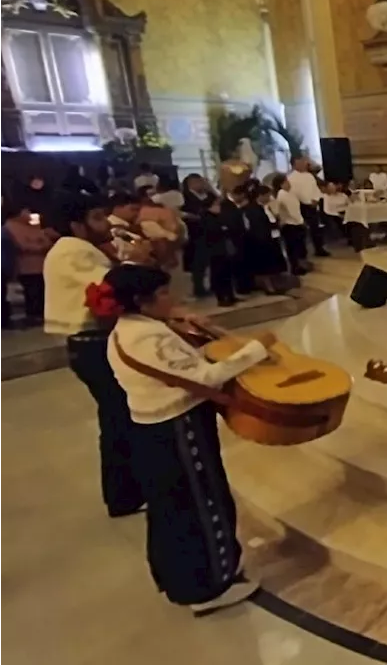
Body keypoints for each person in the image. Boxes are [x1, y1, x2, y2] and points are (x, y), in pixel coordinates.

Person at [101, 263, 273, 614]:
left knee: (176, 506)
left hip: (157, 427)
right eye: (164, 293)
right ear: (141, 301)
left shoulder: (130, 329)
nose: (172, 298)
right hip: (177, 427)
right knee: (200, 502)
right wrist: (256, 349)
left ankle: (191, 576)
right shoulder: (148, 337)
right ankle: (209, 586)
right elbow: (205, 376)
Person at [44, 196, 150, 518]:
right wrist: (135, 261)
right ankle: (122, 496)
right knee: (118, 418)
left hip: (93, 342)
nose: (105, 223)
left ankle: (127, 492)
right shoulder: (72, 250)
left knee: (118, 416)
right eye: (97, 217)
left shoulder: (79, 249)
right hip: (91, 345)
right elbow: (112, 286)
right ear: (77, 225)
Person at [4, 205, 57, 327]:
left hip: (41, 265)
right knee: (32, 292)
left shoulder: (33, 226)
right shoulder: (11, 227)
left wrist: (41, 244)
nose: (28, 213)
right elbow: (21, 245)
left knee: (41, 291)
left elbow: (46, 240)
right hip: (26, 267)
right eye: (26, 211)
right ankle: (32, 317)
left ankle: (41, 314)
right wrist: (39, 246)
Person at [243, 183, 290, 294]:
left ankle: (276, 284)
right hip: (261, 241)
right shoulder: (252, 209)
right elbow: (257, 226)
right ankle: (269, 287)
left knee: (274, 264)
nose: (269, 198)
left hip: (271, 238)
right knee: (265, 266)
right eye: (267, 196)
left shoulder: (264, 207)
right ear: (260, 196)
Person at [285, 156, 330, 258]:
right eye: (300, 162)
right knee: (302, 230)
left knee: (316, 228)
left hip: (312, 205)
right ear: (294, 164)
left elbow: (315, 189)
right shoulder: (291, 178)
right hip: (301, 206)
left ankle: (319, 248)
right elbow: (294, 193)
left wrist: (315, 199)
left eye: (304, 162)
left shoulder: (309, 176)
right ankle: (302, 253)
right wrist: (305, 202)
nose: (304, 164)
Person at [181, 175, 216, 298]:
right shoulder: (185, 197)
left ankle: (214, 285)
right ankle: (198, 287)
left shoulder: (210, 196)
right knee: (198, 262)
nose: (201, 184)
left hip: (212, 232)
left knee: (213, 260)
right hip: (196, 233)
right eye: (198, 182)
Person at [271, 175, 309, 276]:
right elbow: (292, 211)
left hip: (294, 223)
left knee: (297, 247)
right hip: (290, 225)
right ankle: (295, 268)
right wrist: (301, 221)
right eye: (286, 181)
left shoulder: (289, 193)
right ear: (281, 184)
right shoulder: (282, 194)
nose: (289, 183)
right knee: (293, 248)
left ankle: (299, 266)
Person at [321, 181, 353, 247]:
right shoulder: (326, 197)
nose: (332, 189)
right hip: (334, 214)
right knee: (340, 221)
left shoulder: (343, 195)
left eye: (333, 187)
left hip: (346, 212)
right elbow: (327, 210)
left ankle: (353, 238)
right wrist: (339, 215)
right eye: (330, 188)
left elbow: (350, 204)